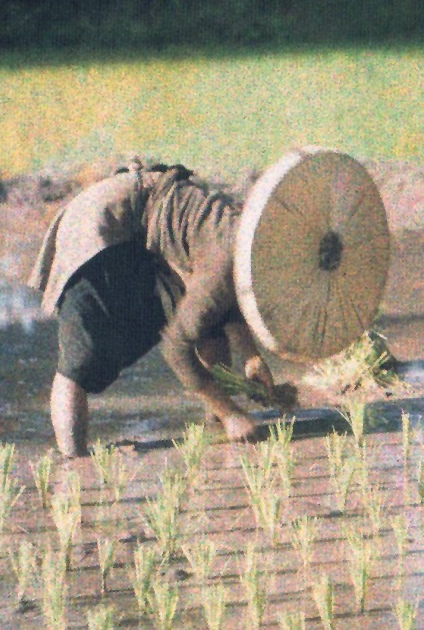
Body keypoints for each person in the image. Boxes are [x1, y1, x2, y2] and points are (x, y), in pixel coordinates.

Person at [29, 160, 277, 457]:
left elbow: (226, 301)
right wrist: (233, 415)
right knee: (82, 357)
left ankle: (218, 422)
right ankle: (74, 464)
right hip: (100, 225)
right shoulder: (223, 262)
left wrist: (252, 357)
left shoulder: (242, 237)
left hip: (148, 223)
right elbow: (176, 347)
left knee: (211, 327)